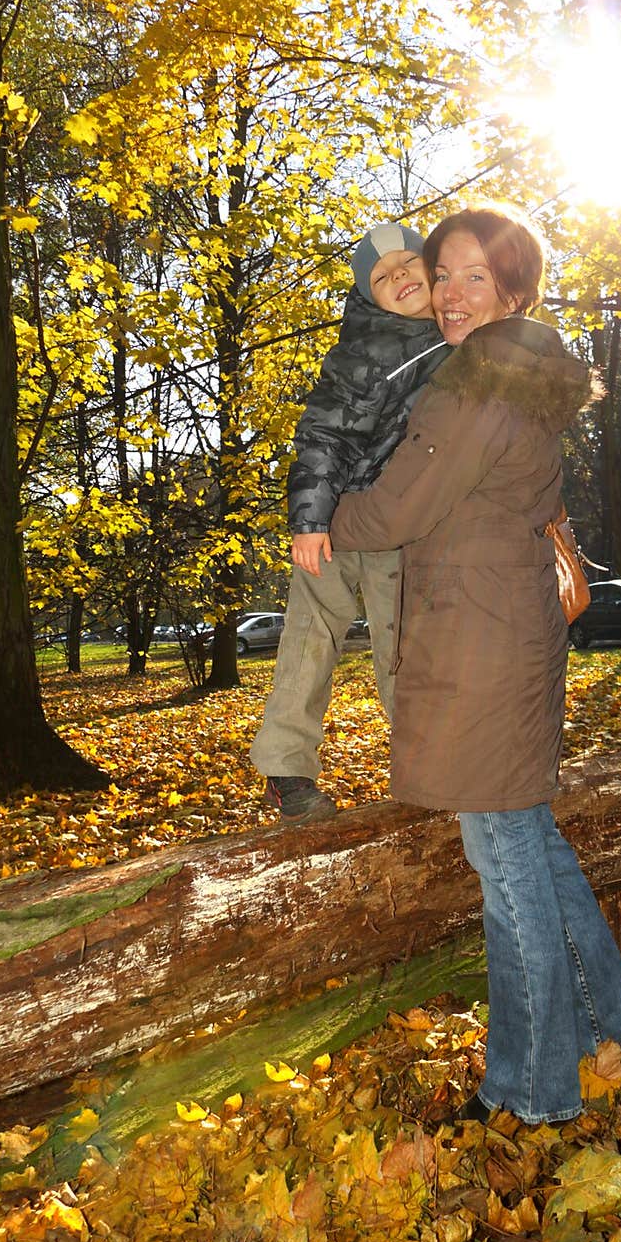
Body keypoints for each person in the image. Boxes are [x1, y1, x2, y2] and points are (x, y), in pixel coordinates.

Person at [327, 203, 621, 1126]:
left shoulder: (480, 379)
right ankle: (608, 1031)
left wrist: (317, 520)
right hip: (501, 631)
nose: (454, 295)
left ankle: (528, 1088)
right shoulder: (523, 370)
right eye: (445, 276)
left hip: (480, 640)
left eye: (477, 276)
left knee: (507, 873)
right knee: (530, 847)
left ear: (513, 288)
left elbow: (397, 509)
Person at [249, 222, 452, 823]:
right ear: (368, 296)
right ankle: (287, 771)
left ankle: (423, 768)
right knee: (310, 636)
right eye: (382, 277)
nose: (399, 279)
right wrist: (308, 520)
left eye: (408, 263)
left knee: (403, 648)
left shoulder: (458, 335)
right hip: (337, 521)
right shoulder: (362, 351)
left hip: (398, 524)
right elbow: (322, 434)